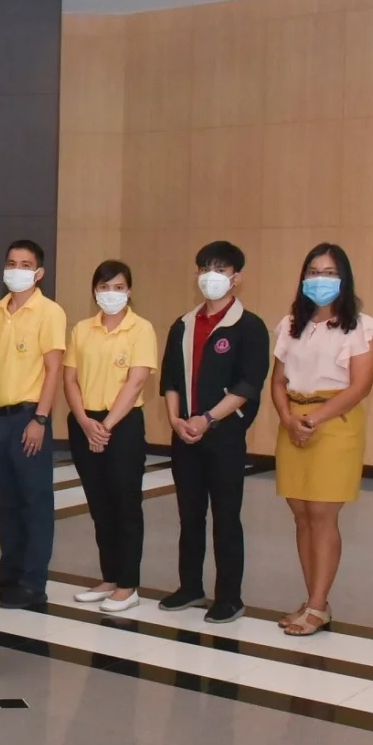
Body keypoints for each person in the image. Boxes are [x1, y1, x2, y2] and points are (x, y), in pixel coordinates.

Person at [268, 243, 373, 637]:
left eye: (330, 273)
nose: (321, 280)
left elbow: (360, 386)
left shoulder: (362, 327)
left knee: (322, 513)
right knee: (300, 513)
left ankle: (318, 605)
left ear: (344, 278)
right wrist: (288, 419)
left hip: (334, 424)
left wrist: (314, 419)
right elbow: (277, 380)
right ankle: (313, 599)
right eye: (314, 272)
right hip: (293, 424)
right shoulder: (290, 325)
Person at [158, 241, 272, 624]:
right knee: (189, 515)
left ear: (236, 278)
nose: (211, 276)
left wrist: (207, 419)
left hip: (224, 436)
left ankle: (229, 597)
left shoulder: (249, 326)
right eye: (205, 268)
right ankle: (190, 586)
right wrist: (176, 420)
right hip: (184, 435)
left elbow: (247, 385)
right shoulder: (183, 325)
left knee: (226, 517)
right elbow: (170, 380)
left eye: (220, 270)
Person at [62, 261, 157, 614]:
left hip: (123, 424)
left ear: (129, 290)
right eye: (104, 287)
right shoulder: (82, 329)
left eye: (118, 287)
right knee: (99, 504)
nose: (111, 293)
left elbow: (136, 381)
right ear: (94, 290)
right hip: (85, 422)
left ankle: (128, 585)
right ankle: (110, 577)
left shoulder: (141, 328)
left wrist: (105, 426)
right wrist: (85, 422)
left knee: (125, 504)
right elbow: (70, 379)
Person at [0, 240, 67, 609]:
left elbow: (53, 370)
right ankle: (10, 572)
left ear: (39, 272)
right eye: (12, 262)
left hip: (28, 418)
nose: (17, 269)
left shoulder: (50, 312)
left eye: (26, 264)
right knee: (5, 502)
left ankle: (34, 581)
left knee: (34, 502)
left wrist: (40, 418)